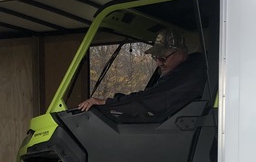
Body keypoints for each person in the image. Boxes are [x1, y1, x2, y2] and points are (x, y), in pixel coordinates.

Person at [76, 29, 207, 122]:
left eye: (162, 57)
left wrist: (106, 103)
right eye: (155, 57)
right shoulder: (191, 68)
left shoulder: (183, 77)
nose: (158, 63)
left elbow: (148, 101)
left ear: (180, 54)